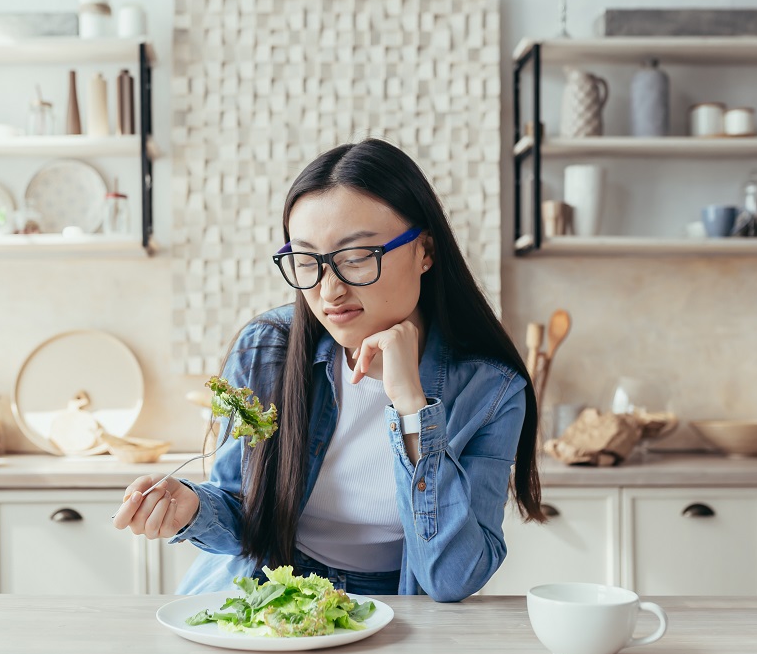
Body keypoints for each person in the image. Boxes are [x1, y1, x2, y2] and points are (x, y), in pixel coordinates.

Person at [113, 138, 544, 602]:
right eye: (306, 261)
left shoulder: (491, 389)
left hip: (399, 609)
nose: (329, 290)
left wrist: (412, 409)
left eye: (356, 257)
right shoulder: (267, 350)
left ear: (425, 250)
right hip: (265, 595)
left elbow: (452, 578)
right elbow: (242, 515)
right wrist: (192, 509)